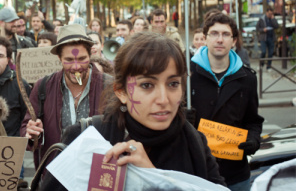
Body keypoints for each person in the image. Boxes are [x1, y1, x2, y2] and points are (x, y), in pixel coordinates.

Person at [40, 32, 226, 190]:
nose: (163, 99)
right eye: (147, 85)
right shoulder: (83, 139)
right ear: (121, 91)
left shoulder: (195, 143)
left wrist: (152, 177)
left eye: (173, 84)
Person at [21, 24, 113, 168]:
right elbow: (26, 129)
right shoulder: (43, 86)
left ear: (91, 55)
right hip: (55, 176)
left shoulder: (109, 86)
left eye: (82, 58)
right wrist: (32, 133)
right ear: (59, 58)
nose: (76, 67)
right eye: (69, 60)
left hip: (97, 176)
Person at [191, 13, 264, 191]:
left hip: (235, 175)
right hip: (197, 172)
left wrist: (253, 140)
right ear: (205, 38)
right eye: (214, 34)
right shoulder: (187, 74)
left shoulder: (247, 78)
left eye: (225, 34)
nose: (220, 39)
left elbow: (253, 120)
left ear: (233, 41)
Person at [0, 36, 31, 189]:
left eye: (0, 56)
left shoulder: (20, 85)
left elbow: (27, 118)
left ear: (8, 59)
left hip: (12, 152)